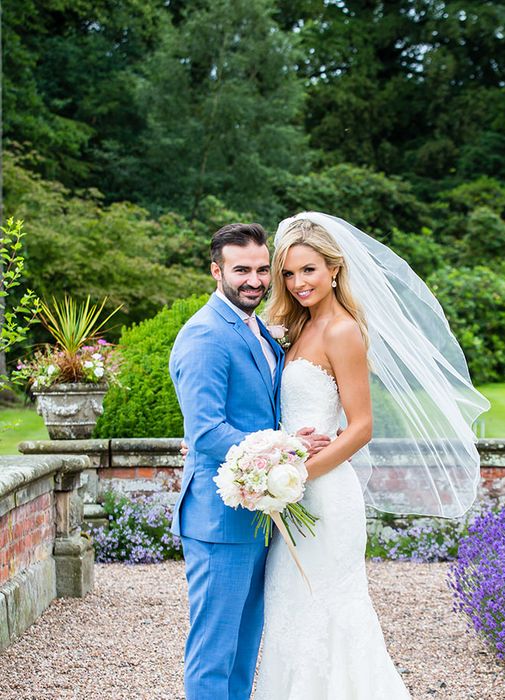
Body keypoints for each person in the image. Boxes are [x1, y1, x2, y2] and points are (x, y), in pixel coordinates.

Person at [253, 212, 489, 698]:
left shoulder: (342, 330)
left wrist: (294, 476)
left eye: (309, 270)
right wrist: (276, 461)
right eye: (290, 273)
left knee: (330, 608)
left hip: (322, 493)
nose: (298, 283)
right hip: (292, 489)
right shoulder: (296, 329)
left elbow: (361, 427)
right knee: (288, 604)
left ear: (334, 269)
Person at [168, 222, 329, 700]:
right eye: (241, 270)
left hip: (257, 511)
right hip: (219, 519)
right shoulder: (204, 336)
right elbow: (207, 431)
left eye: (262, 269)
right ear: (216, 270)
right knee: (215, 649)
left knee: (244, 647)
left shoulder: (256, 327)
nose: (254, 280)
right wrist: (289, 450)